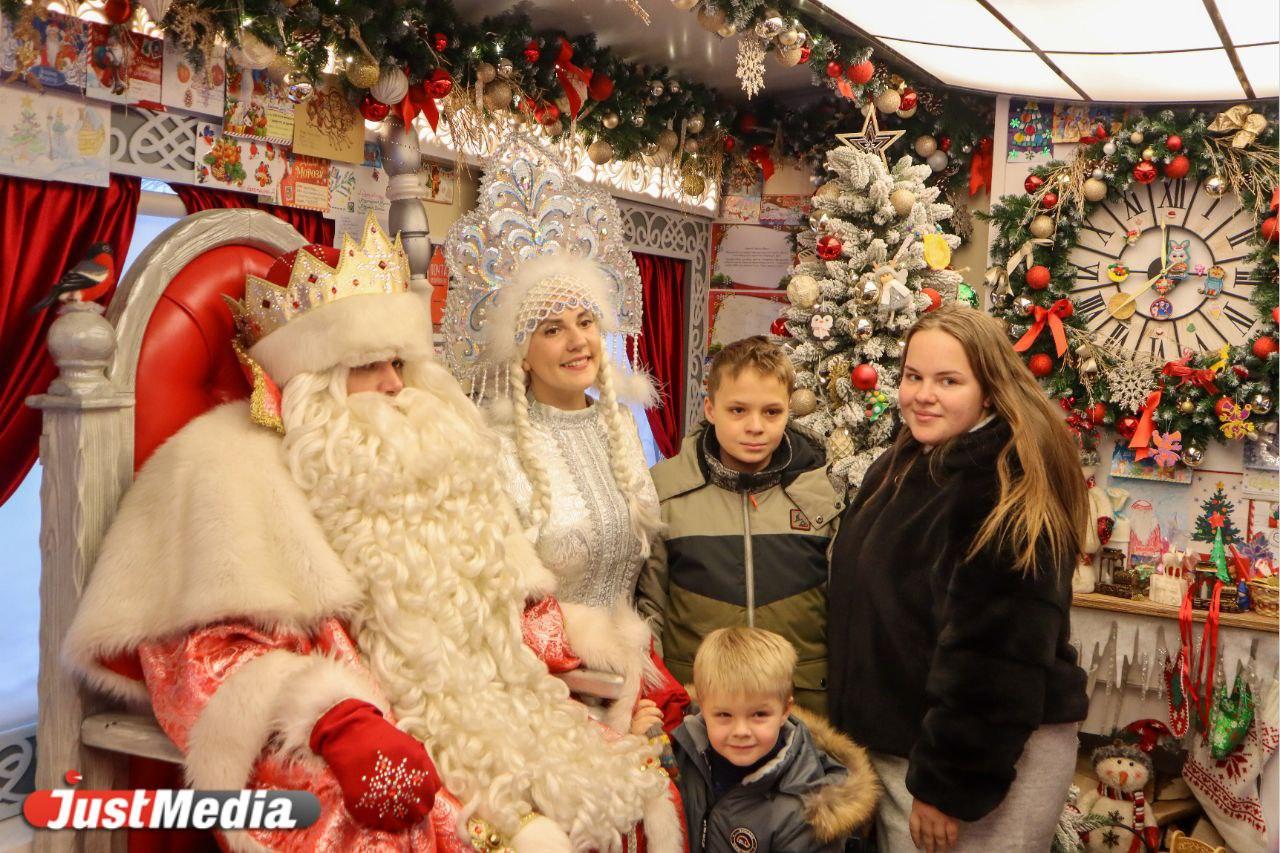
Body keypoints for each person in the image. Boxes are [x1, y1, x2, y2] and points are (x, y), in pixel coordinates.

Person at [64, 217, 683, 852]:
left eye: (398, 362)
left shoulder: (424, 462)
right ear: (310, 380)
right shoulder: (227, 466)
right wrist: (335, 718)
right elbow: (203, 654)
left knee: (632, 783)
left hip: (479, 718)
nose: (394, 384)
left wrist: (609, 645)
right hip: (346, 729)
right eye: (368, 366)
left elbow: (490, 606)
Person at [441, 134, 688, 735]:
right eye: (552, 329)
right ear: (521, 352)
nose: (578, 341)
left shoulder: (622, 431)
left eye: (585, 322)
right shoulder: (489, 449)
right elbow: (484, 600)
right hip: (541, 701)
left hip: (638, 689)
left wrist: (636, 687)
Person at [826, 305, 1090, 853]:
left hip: (972, 759)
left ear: (989, 391)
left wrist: (948, 786)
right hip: (911, 747)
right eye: (913, 377)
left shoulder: (1003, 488)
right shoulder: (907, 460)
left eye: (948, 381)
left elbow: (992, 659)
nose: (923, 395)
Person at [636, 336, 842, 715]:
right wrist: (658, 699)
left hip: (803, 713)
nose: (755, 427)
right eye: (738, 410)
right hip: (696, 712)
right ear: (711, 409)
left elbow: (844, 612)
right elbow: (650, 610)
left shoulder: (821, 496)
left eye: (771, 412)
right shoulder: (665, 493)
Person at [670, 627, 878, 852]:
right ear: (702, 706)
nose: (741, 731)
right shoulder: (680, 750)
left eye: (759, 715)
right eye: (724, 715)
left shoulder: (807, 809)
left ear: (785, 709)